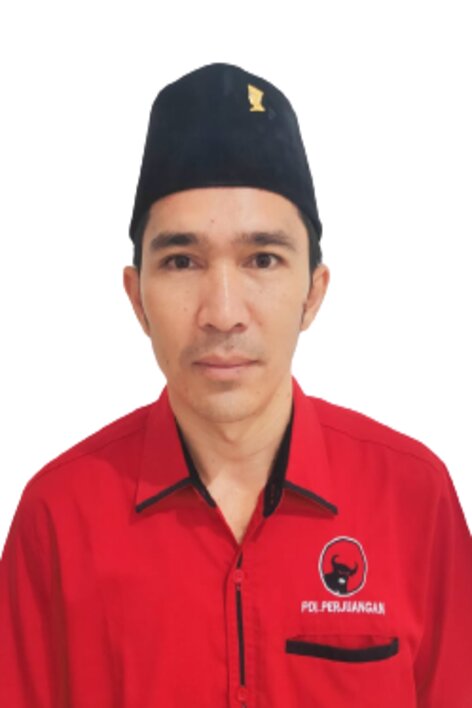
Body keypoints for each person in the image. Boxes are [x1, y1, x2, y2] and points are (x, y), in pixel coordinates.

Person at [0, 62, 471, 707]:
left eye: (263, 259)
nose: (222, 312)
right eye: (182, 261)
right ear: (137, 298)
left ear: (313, 292)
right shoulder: (59, 518)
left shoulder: (414, 500)